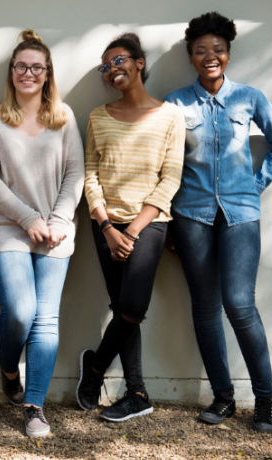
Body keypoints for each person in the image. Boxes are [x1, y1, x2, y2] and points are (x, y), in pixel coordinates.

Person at [165, 12, 272, 433]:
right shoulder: (176, 103)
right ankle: (223, 397)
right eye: (201, 50)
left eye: (217, 49)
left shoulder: (250, 97)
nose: (210, 56)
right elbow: (162, 161)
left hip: (241, 215)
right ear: (191, 57)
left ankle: (266, 399)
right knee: (205, 307)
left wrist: (255, 185)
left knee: (239, 304)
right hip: (191, 215)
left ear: (228, 54)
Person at [0, 30, 84, 437]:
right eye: (21, 66)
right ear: (12, 71)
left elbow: (75, 172)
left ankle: (34, 406)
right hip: (8, 229)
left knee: (46, 321)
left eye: (36, 67)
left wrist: (56, 221)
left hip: (56, 232)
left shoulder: (64, 117)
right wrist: (27, 218)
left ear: (47, 73)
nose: (28, 73)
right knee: (21, 311)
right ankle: (8, 369)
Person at [76, 33, 184, 422]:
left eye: (119, 60)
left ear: (139, 63)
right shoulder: (98, 117)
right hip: (104, 223)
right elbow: (90, 175)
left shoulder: (171, 116)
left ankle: (95, 368)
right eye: (105, 66)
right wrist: (106, 226)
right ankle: (138, 393)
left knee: (134, 307)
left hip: (149, 222)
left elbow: (170, 178)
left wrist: (133, 231)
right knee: (122, 306)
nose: (112, 70)